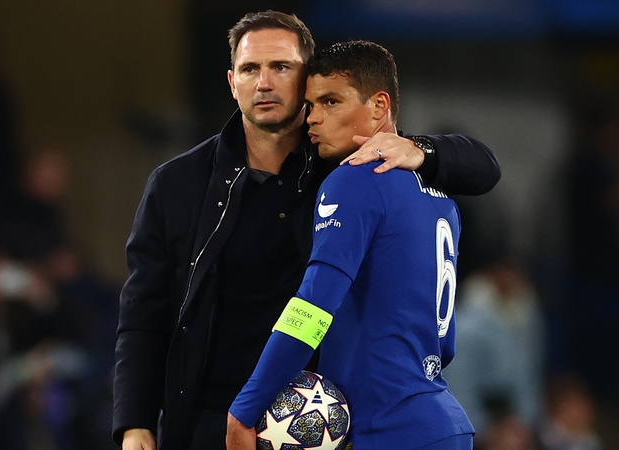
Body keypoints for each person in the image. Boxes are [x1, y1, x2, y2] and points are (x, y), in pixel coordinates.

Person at [114, 11, 499, 450]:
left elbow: (484, 166)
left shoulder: (356, 164)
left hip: (316, 423)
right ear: (231, 81)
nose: (264, 82)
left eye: (281, 67)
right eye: (249, 69)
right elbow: (143, 313)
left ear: (306, 78)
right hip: (212, 420)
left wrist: (422, 148)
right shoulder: (177, 184)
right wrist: (134, 420)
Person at [226, 39, 474, 450]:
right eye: (310, 105)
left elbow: (313, 306)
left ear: (379, 106)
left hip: (386, 427)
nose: (313, 119)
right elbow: (443, 341)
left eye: (330, 102)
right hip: (440, 421)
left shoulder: (355, 178)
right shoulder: (437, 190)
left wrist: (246, 408)